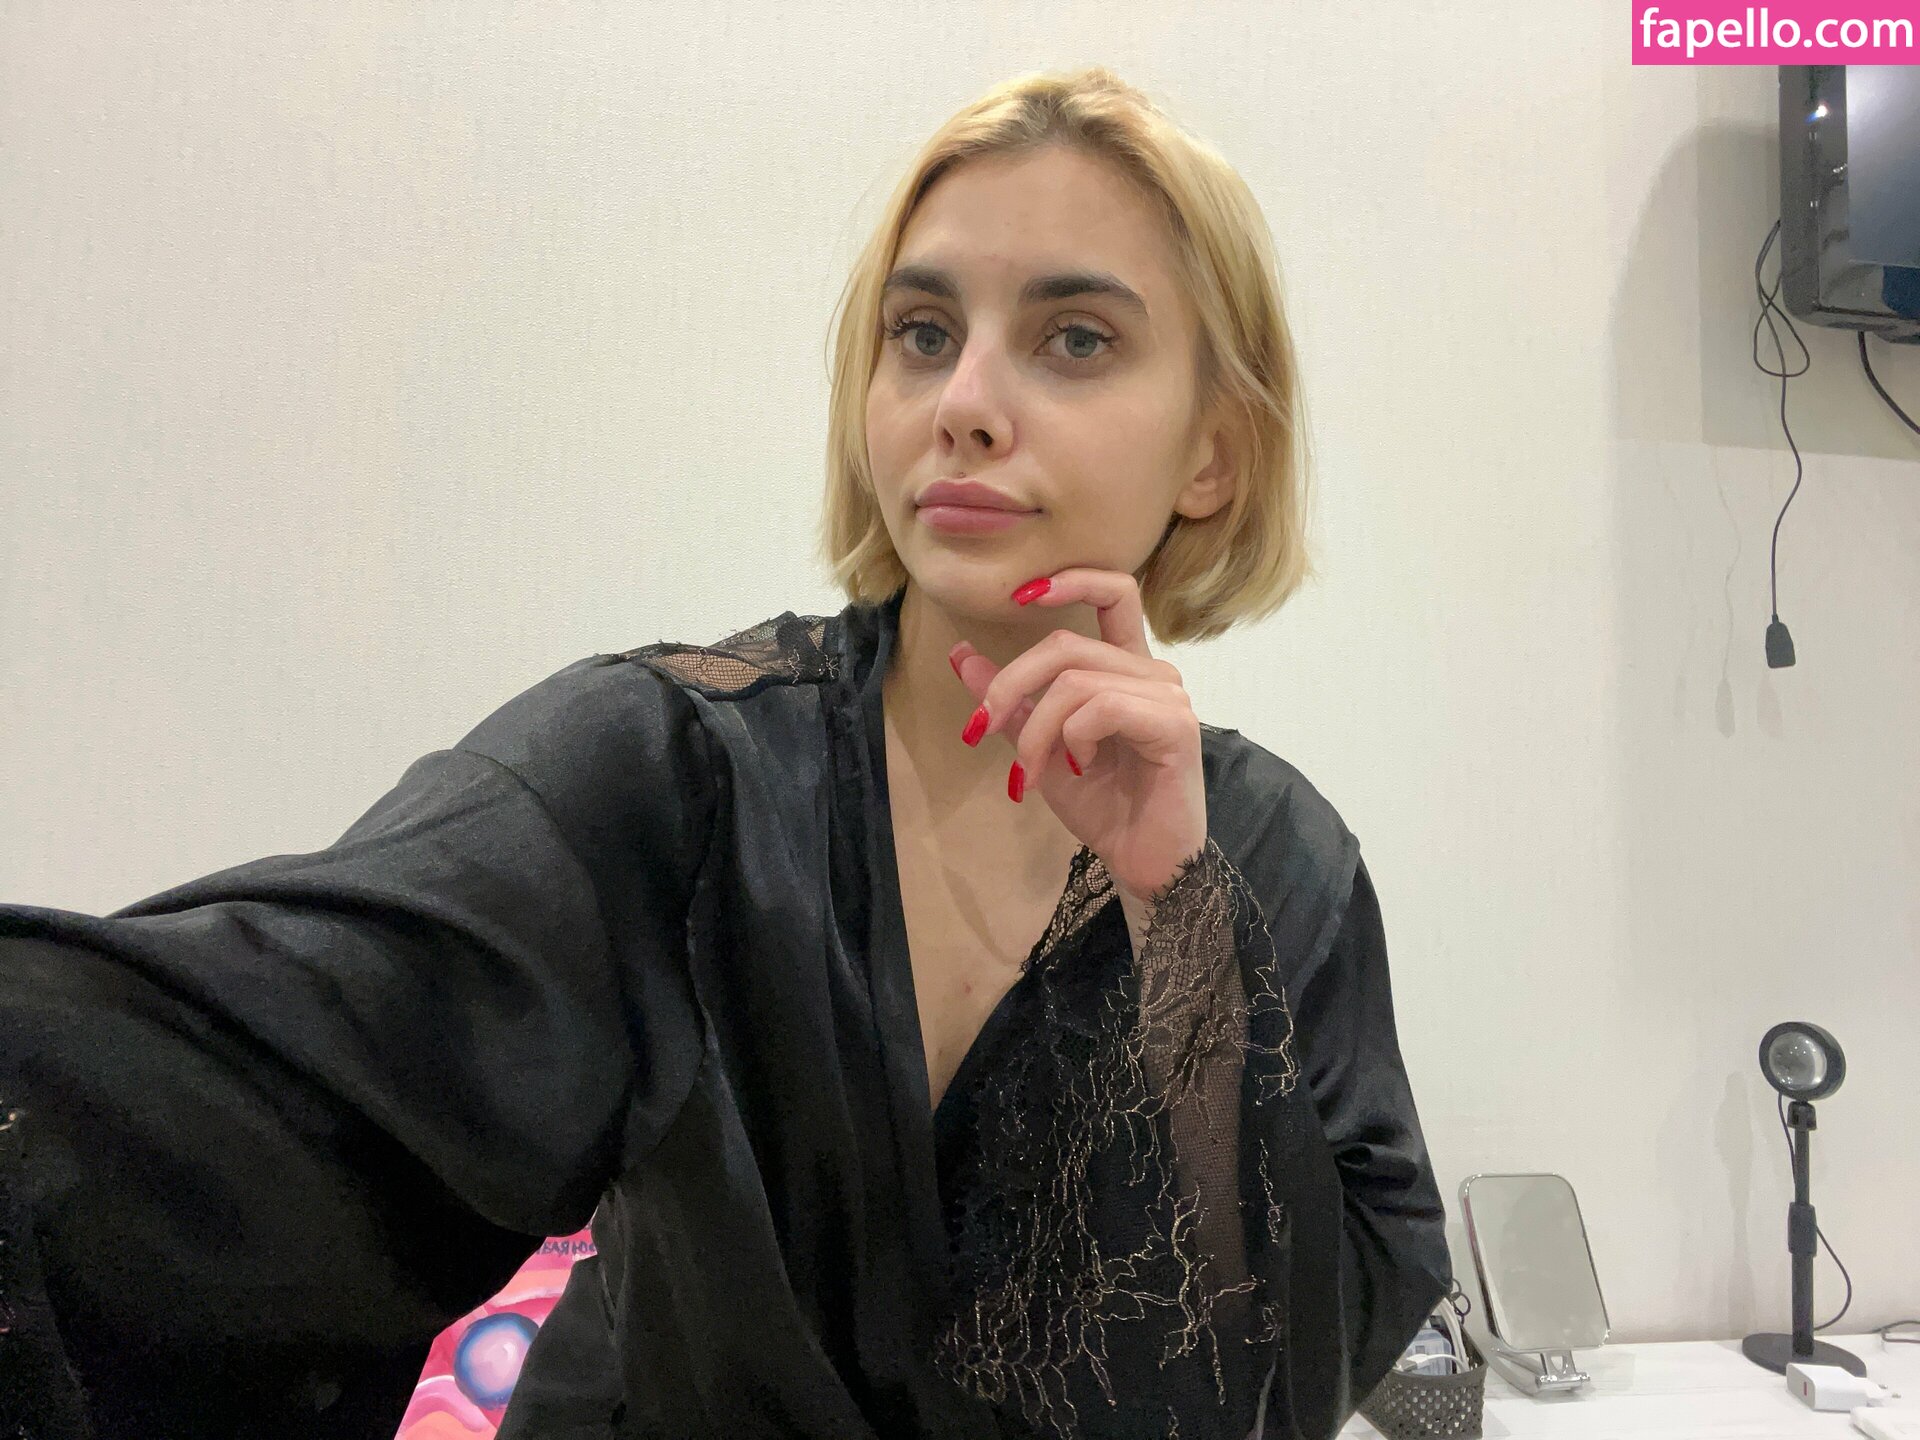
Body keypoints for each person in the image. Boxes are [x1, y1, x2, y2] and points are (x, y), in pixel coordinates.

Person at [0, 65, 1451, 1440]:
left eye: (1076, 338)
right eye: (921, 333)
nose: (963, 402)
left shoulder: (1277, 865)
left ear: (1214, 453)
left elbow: (1288, 1378)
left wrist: (1179, 921)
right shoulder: (672, 769)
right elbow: (278, 1059)